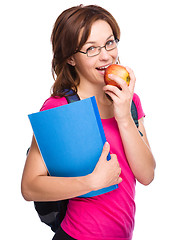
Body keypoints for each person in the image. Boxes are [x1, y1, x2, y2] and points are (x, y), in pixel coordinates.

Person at [21, 4, 156, 240]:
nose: (106, 55)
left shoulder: (129, 100)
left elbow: (146, 175)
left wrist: (123, 116)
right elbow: (30, 186)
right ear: (71, 58)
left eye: (110, 42)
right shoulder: (59, 107)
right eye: (91, 48)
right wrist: (91, 182)